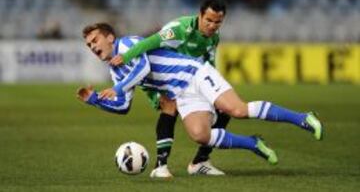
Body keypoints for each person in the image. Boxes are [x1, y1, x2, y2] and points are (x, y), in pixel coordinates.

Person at [77, 23, 324, 176]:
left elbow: (142, 67)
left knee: (236, 109)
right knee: (200, 135)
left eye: (95, 40)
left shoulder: (127, 43)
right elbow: (123, 106)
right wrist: (95, 99)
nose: (93, 46)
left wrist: (118, 87)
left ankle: (302, 118)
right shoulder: (114, 70)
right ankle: (252, 143)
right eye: (89, 45)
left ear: (109, 37)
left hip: (194, 73)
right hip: (181, 92)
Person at [108, 0, 231, 177]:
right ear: (200, 16)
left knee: (224, 109)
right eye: (209, 20)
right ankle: (160, 166)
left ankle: (200, 161)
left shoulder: (213, 38)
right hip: (159, 77)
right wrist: (126, 57)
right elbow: (149, 43)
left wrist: (216, 89)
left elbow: (210, 63)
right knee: (169, 105)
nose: (213, 25)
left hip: (187, 78)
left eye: (217, 22)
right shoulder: (179, 29)